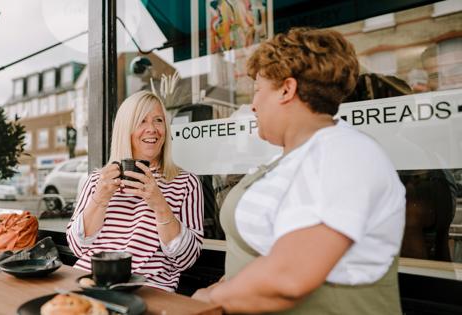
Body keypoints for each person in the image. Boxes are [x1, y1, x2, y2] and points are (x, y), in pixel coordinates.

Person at [192, 27, 406, 314]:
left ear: (286, 89)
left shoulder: (344, 155)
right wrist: (218, 288)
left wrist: (207, 301)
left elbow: (287, 279)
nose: (252, 105)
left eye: (257, 90)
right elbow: (262, 257)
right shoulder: (291, 160)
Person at [66, 91, 204, 292]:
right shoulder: (99, 179)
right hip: (88, 282)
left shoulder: (185, 182)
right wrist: (100, 198)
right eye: (142, 121)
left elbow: (186, 259)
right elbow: (77, 247)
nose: (152, 129)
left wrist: (159, 204)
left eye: (158, 120)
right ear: (125, 129)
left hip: (148, 290)